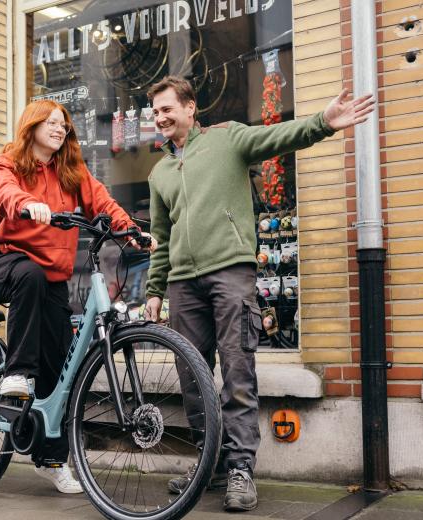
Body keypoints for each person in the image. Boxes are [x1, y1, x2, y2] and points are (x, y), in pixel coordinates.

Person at [143, 76, 374, 512]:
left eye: (167, 108)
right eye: (154, 111)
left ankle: (240, 470)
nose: (160, 117)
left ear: (190, 108)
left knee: (237, 373)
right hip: (182, 285)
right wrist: (156, 290)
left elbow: (279, 136)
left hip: (230, 272)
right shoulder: (158, 174)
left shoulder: (228, 139)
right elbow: (160, 236)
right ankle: (208, 465)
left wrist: (324, 121)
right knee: (193, 380)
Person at [0, 99, 156, 494]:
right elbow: (4, 192)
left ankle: (53, 460)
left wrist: (131, 230)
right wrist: (28, 205)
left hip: (53, 278)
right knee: (29, 275)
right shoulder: (8, 162)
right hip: (9, 263)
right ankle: (16, 372)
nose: (60, 129)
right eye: (52, 122)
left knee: (61, 367)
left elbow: (103, 203)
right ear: (33, 125)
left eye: (65, 124)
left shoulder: (71, 173)